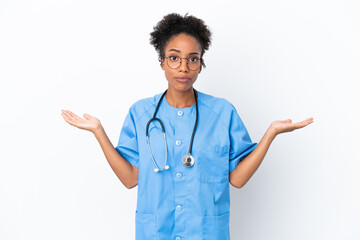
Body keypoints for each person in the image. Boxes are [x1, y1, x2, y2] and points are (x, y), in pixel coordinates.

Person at [61, 12, 313, 240]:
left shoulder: (222, 113)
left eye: (193, 59)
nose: (184, 67)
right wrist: (99, 132)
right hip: (157, 232)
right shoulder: (141, 113)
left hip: (206, 234)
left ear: (201, 64)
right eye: (174, 58)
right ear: (161, 62)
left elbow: (237, 179)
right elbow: (130, 179)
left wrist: (270, 134)